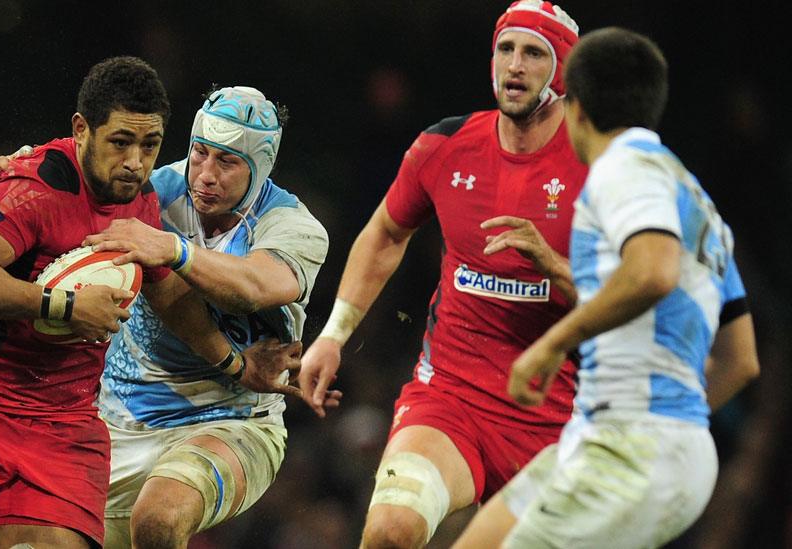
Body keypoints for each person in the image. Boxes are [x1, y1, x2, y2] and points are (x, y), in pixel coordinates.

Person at [0, 58, 296, 549]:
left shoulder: (143, 202)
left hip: (63, 427)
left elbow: (170, 296)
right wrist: (64, 307)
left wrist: (235, 362)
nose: (136, 162)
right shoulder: (35, 185)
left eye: (150, 145)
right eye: (121, 142)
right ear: (82, 129)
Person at [0, 86, 334, 548]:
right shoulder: (153, 190)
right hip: (114, 421)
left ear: (261, 165)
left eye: (227, 162)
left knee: (159, 518)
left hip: (232, 420)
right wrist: (19, 173)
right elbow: (74, 175)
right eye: (200, 153)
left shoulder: (295, 227)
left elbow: (254, 287)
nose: (205, 175)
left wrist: (171, 247)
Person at [453, 27, 761, 549]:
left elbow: (653, 271)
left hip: (633, 446)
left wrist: (550, 344)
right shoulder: (693, 198)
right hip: (626, 440)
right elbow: (742, 361)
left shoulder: (623, 167)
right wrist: (677, 427)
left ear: (574, 104)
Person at [299, 1, 585, 547]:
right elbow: (384, 233)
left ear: (565, 73)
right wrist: (334, 335)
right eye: (506, 49)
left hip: (557, 422)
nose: (515, 66)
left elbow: (633, 303)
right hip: (450, 397)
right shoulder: (445, 146)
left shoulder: (602, 168)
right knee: (390, 528)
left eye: (534, 53)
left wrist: (553, 267)